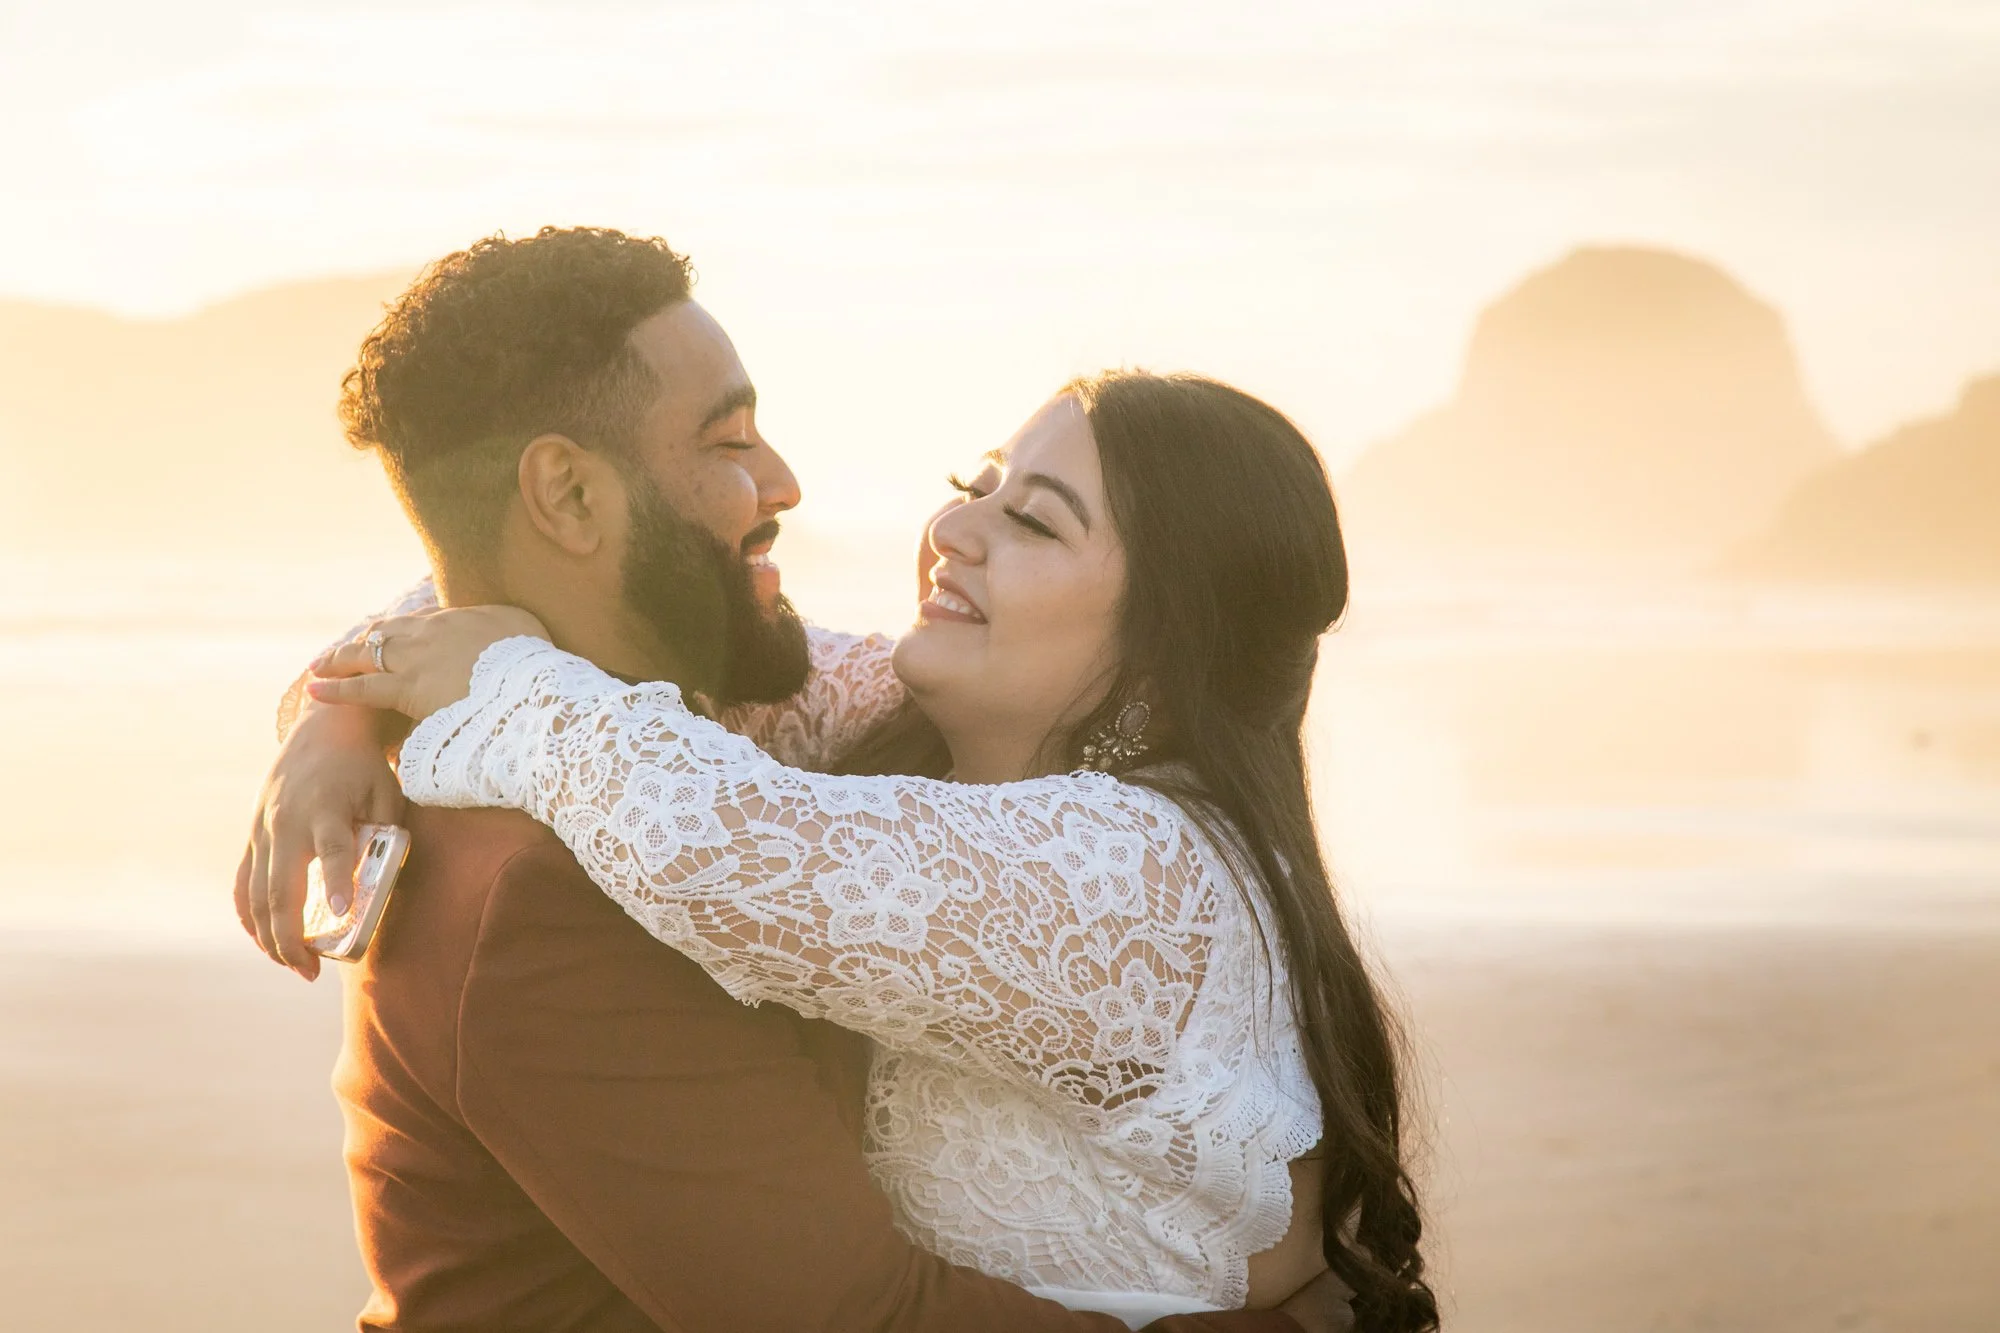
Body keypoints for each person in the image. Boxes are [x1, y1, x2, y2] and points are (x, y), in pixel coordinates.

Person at [243, 226, 1431, 1330]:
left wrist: (470, 676)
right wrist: (342, 717)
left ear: (1171, 641)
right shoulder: (880, 722)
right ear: (567, 493)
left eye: (1037, 522)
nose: (951, 529)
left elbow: (706, 827)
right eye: (978, 488)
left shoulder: (1132, 870)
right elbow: (535, 619)